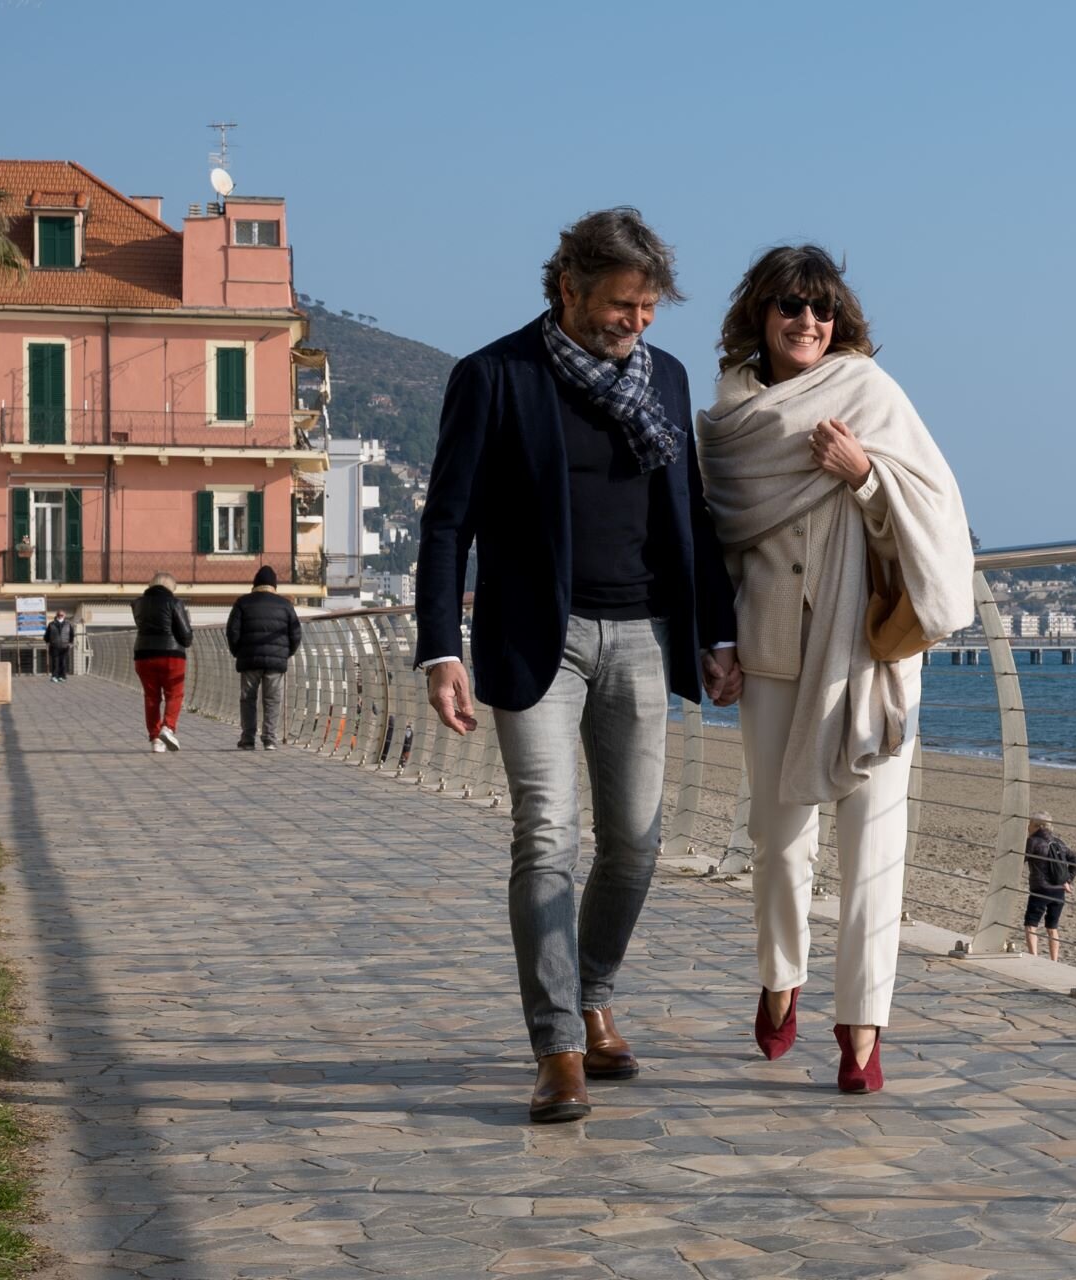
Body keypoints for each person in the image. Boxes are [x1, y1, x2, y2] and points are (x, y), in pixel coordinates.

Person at [415, 208, 739, 1124]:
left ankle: (595, 994)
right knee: (547, 834)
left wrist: (716, 633)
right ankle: (557, 1046)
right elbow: (447, 524)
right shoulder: (495, 376)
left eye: (647, 308)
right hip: (536, 641)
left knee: (635, 843)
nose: (634, 322)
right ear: (568, 287)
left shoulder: (666, 381)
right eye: (620, 304)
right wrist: (442, 647)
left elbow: (696, 517)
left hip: (644, 632)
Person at [696, 245, 974, 1094]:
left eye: (821, 310)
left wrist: (864, 479)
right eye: (789, 308)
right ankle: (782, 973)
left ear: (839, 320)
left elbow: (938, 513)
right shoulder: (730, 419)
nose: (806, 323)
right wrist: (717, 639)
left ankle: (862, 1027)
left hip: (868, 658)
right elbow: (713, 535)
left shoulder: (871, 396)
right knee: (779, 846)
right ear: (760, 317)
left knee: (875, 850)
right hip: (774, 651)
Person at [225, 565, 301, 751]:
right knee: (272, 699)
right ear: (274, 585)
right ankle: (269, 739)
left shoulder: (242, 602)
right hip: (276, 661)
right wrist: (285, 653)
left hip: (249, 659)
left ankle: (248, 739)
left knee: (248, 699)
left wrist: (238, 652)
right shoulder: (285, 605)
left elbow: (232, 631)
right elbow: (296, 634)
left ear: (255, 584)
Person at [131, 572, 192, 753]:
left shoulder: (138, 604)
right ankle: (168, 728)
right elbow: (186, 637)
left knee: (151, 697)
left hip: (143, 655)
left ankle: (156, 740)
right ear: (170, 586)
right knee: (175, 694)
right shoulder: (175, 603)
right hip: (171, 655)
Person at [1023, 811, 1076, 961]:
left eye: (1029, 823)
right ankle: (1054, 961)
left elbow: (1020, 859)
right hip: (1058, 891)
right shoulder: (1058, 842)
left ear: (1036, 826)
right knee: (1052, 928)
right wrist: (1068, 880)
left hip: (1040, 889)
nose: (1028, 826)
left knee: (1031, 925)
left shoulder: (1033, 842)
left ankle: (1034, 958)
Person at [44, 609, 75, 682]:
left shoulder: (68, 624)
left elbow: (72, 635)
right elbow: (47, 635)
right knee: (55, 662)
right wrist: (47, 642)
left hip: (65, 646)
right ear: (56, 615)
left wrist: (70, 643)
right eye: (58, 615)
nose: (60, 616)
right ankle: (54, 676)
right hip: (54, 646)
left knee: (63, 662)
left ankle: (62, 676)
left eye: (61, 615)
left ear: (64, 615)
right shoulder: (51, 624)